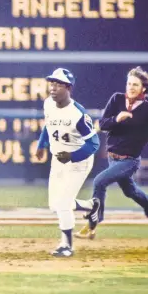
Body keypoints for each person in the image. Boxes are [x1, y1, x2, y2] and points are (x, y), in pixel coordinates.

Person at [75, 66, 148, 240]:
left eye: (135, 84)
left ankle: (93, 224)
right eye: (129, 83)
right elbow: (103, 124)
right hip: (112, 158)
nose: (130, 87)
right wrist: (117, 118)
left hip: (129, 161)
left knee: (99, 182)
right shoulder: (116, 100)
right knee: (130, 191)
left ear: (143, 88)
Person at [36, 68, 100, 257]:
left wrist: (72, 156)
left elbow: (94, 144)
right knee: (55, 204)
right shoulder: (48, 104)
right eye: (52, 83)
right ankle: (90, 205)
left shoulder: (77, 114)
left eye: (58, 84)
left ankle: (67, 245)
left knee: (63, 203)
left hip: (79, 160)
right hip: (59, 159)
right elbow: (49, 125)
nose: (53, 88)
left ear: (68, 88)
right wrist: (41, 145)